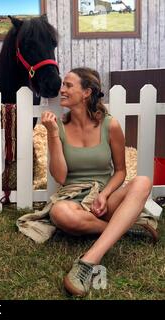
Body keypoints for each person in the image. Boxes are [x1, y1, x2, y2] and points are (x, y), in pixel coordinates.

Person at [40, 67, 159, 297]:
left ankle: (89, 261)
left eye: (68, 85)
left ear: (87, 92)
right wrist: (53, 133)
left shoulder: (110, 125)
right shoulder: (59, 128)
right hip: (74, 201)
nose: (61, 89)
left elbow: (121, 171)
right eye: (62, 85)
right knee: (60, 213)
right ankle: (125, 229)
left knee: (143, 181)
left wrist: (104, 195)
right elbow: (61, 177)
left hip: (105, 198)